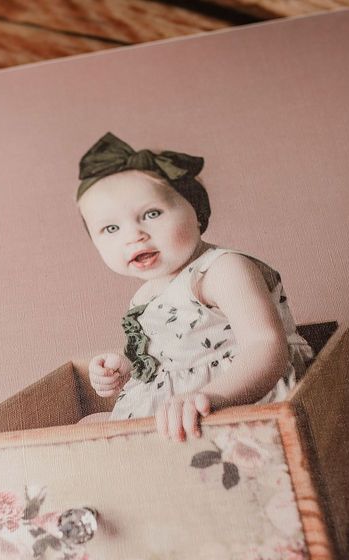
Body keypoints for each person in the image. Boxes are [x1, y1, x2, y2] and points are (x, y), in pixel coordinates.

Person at [76, 132, 313, 442]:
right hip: (176, 403)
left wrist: (216, 397)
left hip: (237, 396)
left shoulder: (220, 269)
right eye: (110, 228)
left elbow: (265, 346)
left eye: (152, 214)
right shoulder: (146, 292)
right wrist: (127, 371)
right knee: (87, 426)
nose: (134, 235)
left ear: (197, 212)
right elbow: (172, 358)